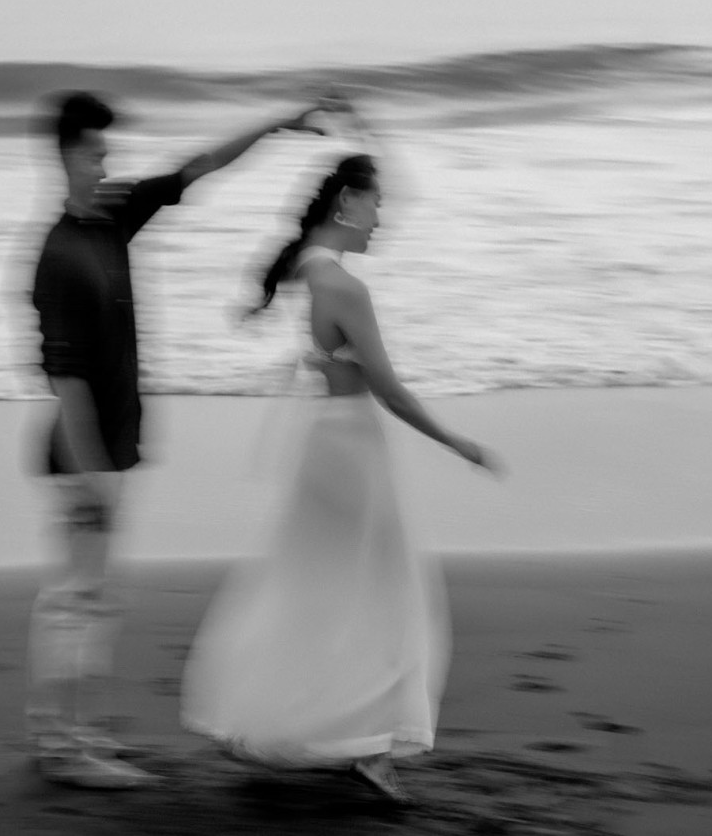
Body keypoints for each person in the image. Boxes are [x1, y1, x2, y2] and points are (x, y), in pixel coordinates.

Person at [25, 90, 338, 790]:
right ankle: (64, 747)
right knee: (79, 601)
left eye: (106, 153)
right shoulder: (58, 255)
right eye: (95, 154)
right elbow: (65, 380)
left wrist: (279, 124)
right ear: (67, 156)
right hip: (84, 453)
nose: (105, 165)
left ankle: (67, 734)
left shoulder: (111, 217)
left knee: (86, 598)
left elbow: (198, 167)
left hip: (109, 448)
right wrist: (93, 474)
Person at [180, 152, 503, 804]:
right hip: (352, 446)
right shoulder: (344, 286)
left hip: (321, 440)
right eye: (377, 203)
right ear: (347, 201)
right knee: (386, 591)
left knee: (315, 585)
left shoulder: (309, 267)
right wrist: (457, 441)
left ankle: (297, 720)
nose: (382, 218)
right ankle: (370, 745)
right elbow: (389, 390)